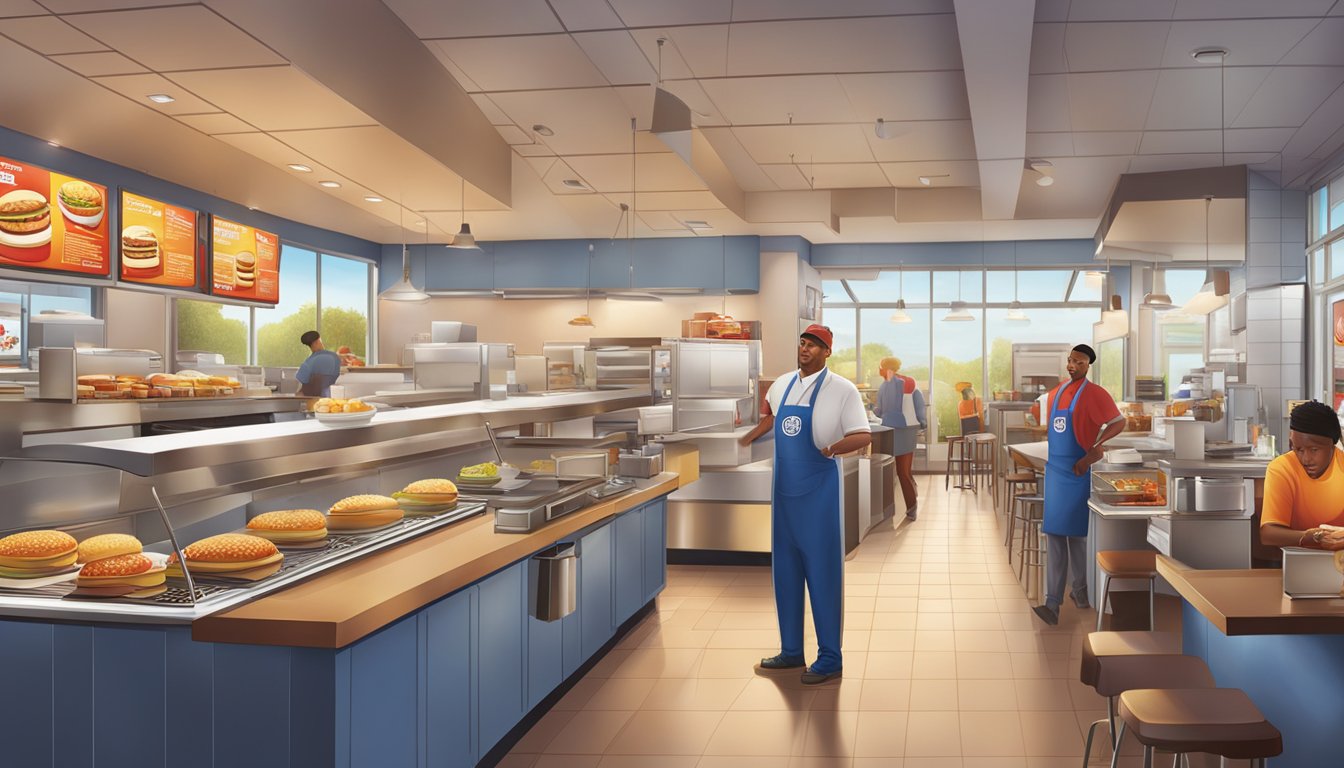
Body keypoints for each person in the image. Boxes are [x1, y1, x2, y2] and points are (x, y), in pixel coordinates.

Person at [738, 324, 871, 684]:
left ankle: (830, 657)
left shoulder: (841, 390)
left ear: (827, 351)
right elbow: (769, 418)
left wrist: (831, 448)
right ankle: (791, 651)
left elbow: (863, 434)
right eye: (803, 342)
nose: (806, 348)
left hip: (819, 498)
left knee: (824, 577)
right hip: (783, 499)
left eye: (814, 345)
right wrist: (744, 439)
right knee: (785, 575)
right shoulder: (781, 385)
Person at [1032, 344, 1124, 626]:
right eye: (1070, 361)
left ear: (1088, 366)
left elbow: (1119, 421)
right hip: (1055, 470)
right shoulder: (1058, 392)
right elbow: (1038, 414)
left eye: (1079, 362)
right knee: (1056, 535)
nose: (1072, 366)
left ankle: (1077, 595)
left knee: (1077, 537)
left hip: (1077, 469)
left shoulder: (1095, 394)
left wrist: (1096, 447)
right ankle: (1056, 601)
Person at [1258, 400, 1344, 551]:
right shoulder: (1281, 469)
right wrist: (1310, 537)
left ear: (1332, 444)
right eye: (1298, 449)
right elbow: (1268, 533)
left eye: (1314, 449)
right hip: (1296, 561)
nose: (1305, 459)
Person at [874, 357, 926, 520]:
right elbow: (919, 404)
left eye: (880, 367)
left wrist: (873, 409)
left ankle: (912, 508)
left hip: (894, 429)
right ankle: (913, 499)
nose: (879, 370)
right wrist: (922, 423)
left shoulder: (885, 386)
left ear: (885, 369)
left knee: (901, 472)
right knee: (905, 470)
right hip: (909, 429)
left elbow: (881, 411)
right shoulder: (910, 381)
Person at [295, 330, 342, 397]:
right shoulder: (335, 357)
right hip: (331, 397)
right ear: (318, 341)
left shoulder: (308, 363)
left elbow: (300, 388)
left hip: (313, 399)